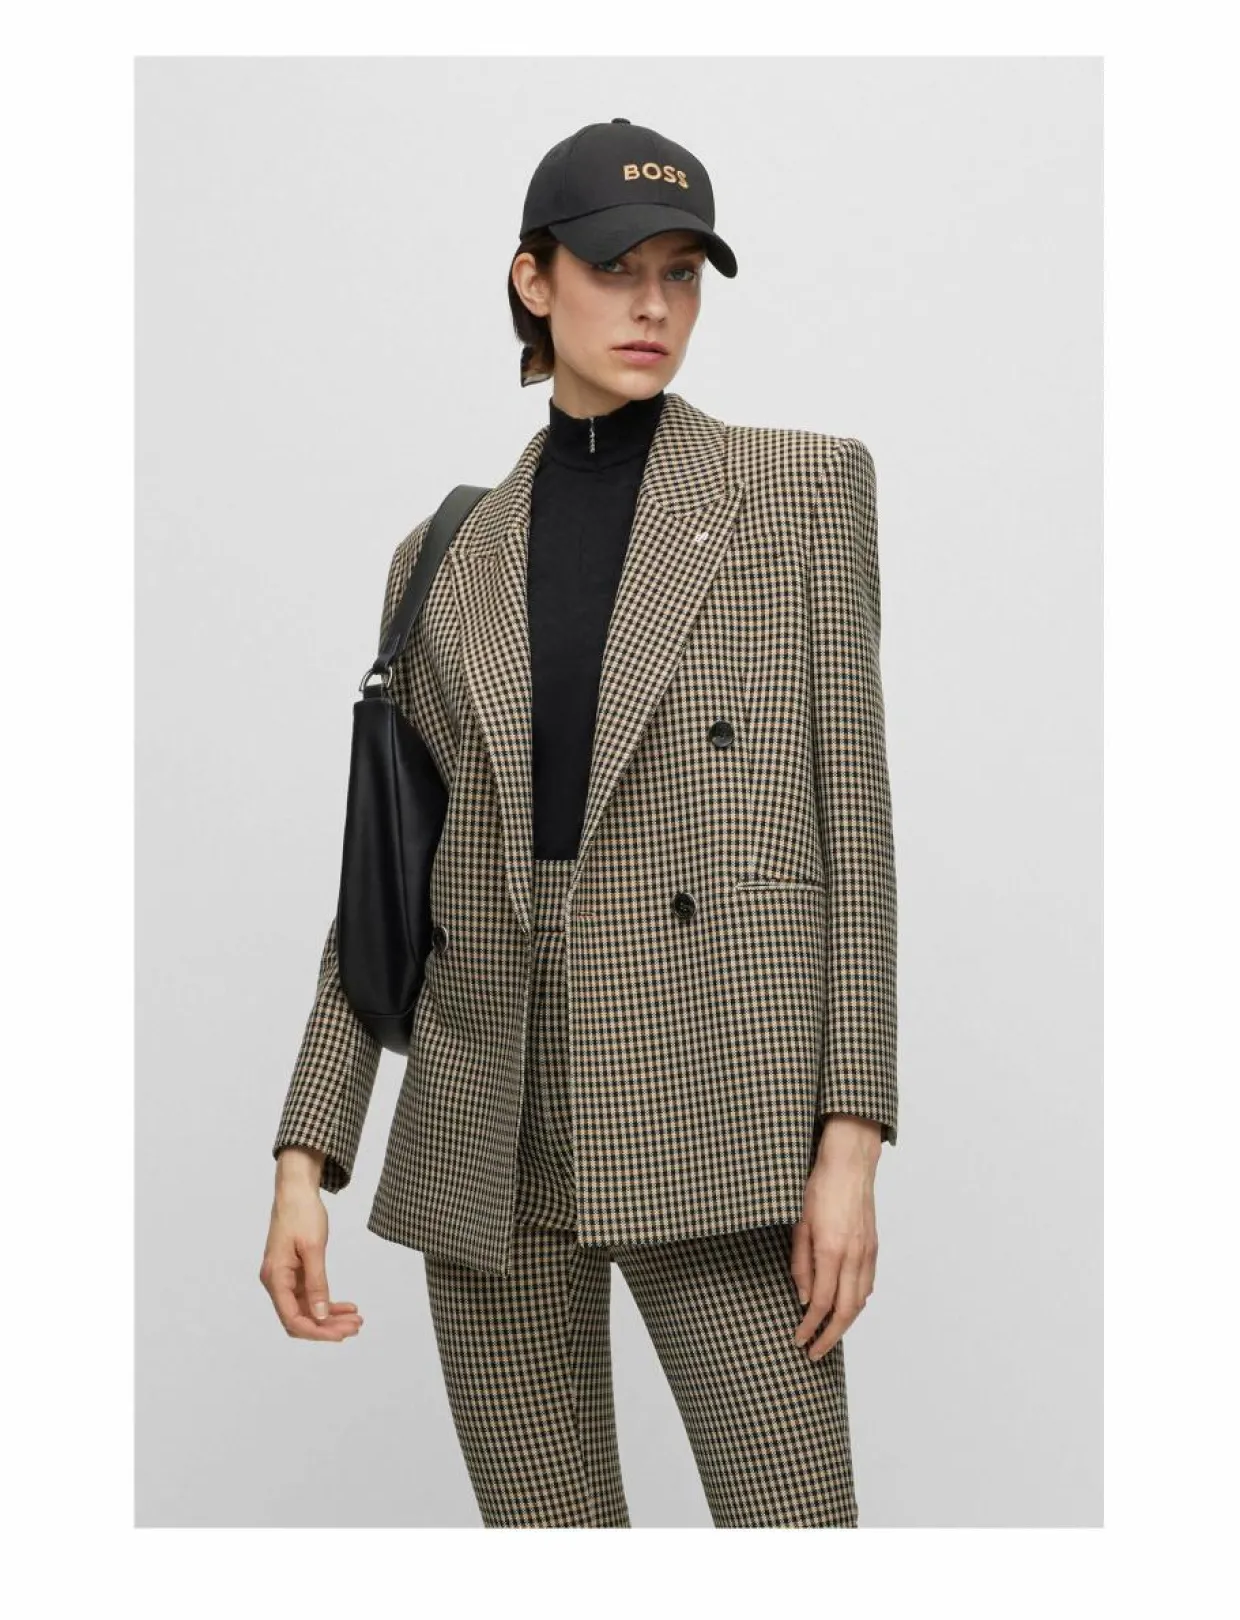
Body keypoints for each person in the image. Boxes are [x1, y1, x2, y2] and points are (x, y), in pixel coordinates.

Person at [260, 118, 899, 1529]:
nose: (654, 305)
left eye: (682, 273)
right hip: (485, 1127)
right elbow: (386, 887)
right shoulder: (441, 556)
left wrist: (849, 1146)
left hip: (715, 1110)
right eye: (616, 269)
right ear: (535, 280)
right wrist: (308, 1156)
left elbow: (855, 840)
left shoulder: (801, 493)